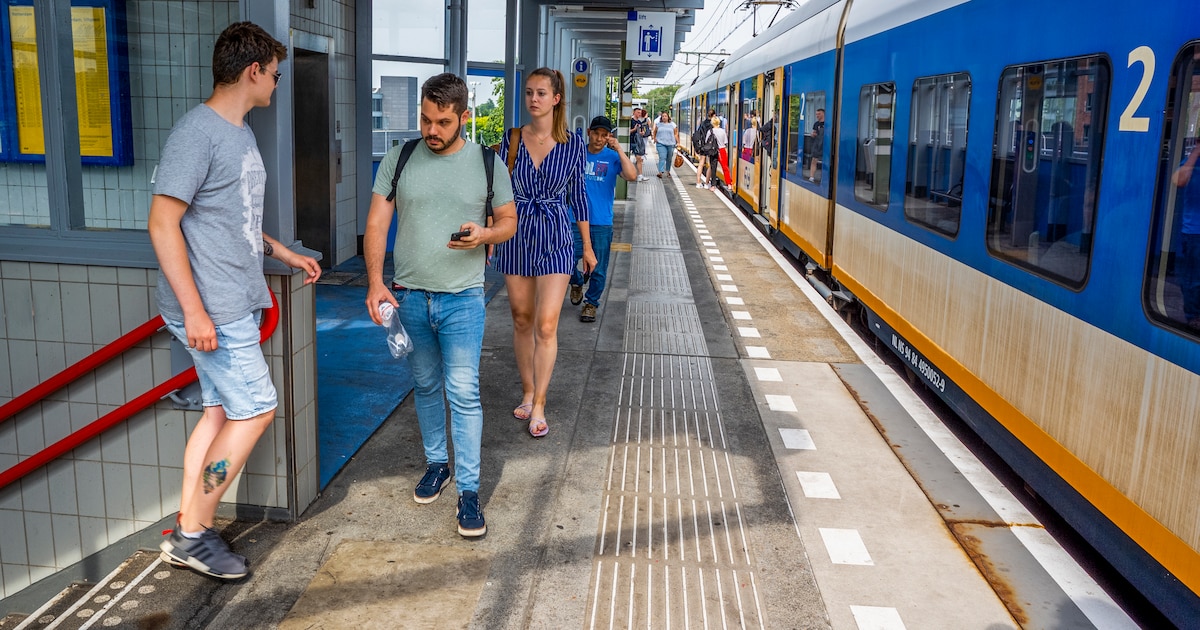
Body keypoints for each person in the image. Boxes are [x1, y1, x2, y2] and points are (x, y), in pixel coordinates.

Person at [151, 22, 322, 579]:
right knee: (257, 409)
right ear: (253, 71)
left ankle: (187, 523)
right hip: (215, 309)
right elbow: (162, 224)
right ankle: (193, 535)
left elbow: (231, 219)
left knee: (219, 411)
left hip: (226, 301)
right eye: (274, 74)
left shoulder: (238, 132)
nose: (275, 83)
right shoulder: (196, 134)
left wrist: (281, 251)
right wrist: (195, 312)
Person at [364, 73, 518, 537]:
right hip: (410, 296)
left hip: (464, 299)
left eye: (443, 122)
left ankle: (469, 491)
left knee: (463, 391)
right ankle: (438, 465)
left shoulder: (487, 163)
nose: (432, 130)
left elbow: (509, 220)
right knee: (426, 385)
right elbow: (377, 223)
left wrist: (485, 234)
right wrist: (375, 282)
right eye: (426, 119)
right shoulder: (400, 158)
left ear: (464, 117)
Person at [493, 67, 593, 438]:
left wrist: (587, 245)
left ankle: (540, 403)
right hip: (517, 234)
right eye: (529, 92)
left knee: (546, 324)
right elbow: (497, 191)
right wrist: (490, 233)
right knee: (522, 318)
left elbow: (578, 195)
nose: (533, 99)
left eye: (541, 93)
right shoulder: (511, 139)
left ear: (556, 99)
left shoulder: (574, 144)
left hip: (555, 235)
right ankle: (527, 390)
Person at [569, 116, 637, 323]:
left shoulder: (612, 157)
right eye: (596, 134)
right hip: (573, 219)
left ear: (609, 137)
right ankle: (577, 281)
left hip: (601, 222)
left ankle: (591, 303)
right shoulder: (576, 154)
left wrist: (620, 150)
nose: (599, 139)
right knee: (565, 260)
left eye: (604, 135)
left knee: (598, 267)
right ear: (588, 132)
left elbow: (631, 175)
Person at [1173, 140, 1200, 329]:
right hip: (1194, 232)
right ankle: (1193, 316)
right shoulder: (1190, 163)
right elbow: (1179, 181)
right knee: (1193, 279)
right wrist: (1196, 153)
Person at [652, 111, 679, 178]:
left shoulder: (673, 125)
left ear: (668, 117)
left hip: (671, 144)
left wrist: (678, 142)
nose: (664, 117)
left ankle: (668, 171)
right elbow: (655, 132)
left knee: (669, 158)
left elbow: (676, 134)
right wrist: (654, 138)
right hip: (661, 143)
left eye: (665, 116)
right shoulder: (659, 125)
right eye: (663, 116)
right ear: (661, 117)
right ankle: (660, 172)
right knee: (662, 157)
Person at [693, 112, 714, 189]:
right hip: (710, 146)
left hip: (702, 146)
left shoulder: (702, 123)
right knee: (711, 164)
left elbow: (698, 134)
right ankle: (706, 183)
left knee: (701, 164)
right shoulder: (713, 125)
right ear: (714, 115)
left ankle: (698, 182)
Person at [630, 108, 651, 182]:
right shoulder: (630, 121)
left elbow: (641, 131)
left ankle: (640, 175)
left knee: (639, 158)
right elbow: (626, 131)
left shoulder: (639, 122)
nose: (639, 114)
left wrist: (642, 133)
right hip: (630, 141)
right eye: (638, 112)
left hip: (637, 142)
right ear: (634, 112)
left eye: (640, 113)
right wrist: (634, 129)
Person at [710, 116, 730, 187]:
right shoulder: (722, 131)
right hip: (722, 150)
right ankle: (729, 183)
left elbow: (707, 141)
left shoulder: (710, 131)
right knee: (725, 167)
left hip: (713, 150)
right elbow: (725, 141)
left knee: (713, 168)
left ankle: (713, 185)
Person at [807, 108, 825, 183]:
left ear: (823, 114)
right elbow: (814, 132)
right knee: (814, 160)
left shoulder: (827, 123)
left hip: (825, 143)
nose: (817, 116)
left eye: (819, 114)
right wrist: (813, 134)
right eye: (816, 114)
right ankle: (811, 177)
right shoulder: (816, 124)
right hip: (817, 144)